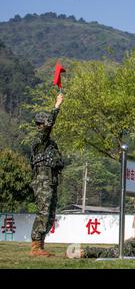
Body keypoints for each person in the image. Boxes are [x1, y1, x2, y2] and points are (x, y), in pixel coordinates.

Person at [29, 93, 65, 257]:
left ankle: (40, 246)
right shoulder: (39, 140)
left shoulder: (49, 144)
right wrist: (57, 105)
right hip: (43, 183)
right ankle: (35, 247)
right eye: (45, 123)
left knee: (50, 215)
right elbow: (50, 124)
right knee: (43, 213)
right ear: (41, 124)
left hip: (50, 182)